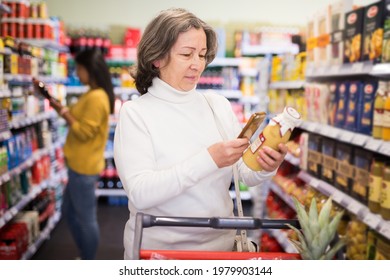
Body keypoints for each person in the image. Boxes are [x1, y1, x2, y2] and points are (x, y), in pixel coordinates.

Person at [113, 8, 287, 260]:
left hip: (223, 249)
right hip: (160, 254)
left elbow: (244, 175)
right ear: (157, 58)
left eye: (203, 55)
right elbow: (140, 193)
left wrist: (265, 165)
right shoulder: (135, 114)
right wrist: (209, 159)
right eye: (186, 54)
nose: (197, 64)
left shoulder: (217, 105)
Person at [49, 49, 115, 260]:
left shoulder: (97, 97)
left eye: (79, 68)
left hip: (84, 168)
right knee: (70, 212)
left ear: (90, 69)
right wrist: (63, 110)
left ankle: (88, 261)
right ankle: (85, 256)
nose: (77, 73)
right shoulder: (93, 92)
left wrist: (66, 115)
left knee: (86, 219)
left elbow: (84, 132)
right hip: (79, 165)